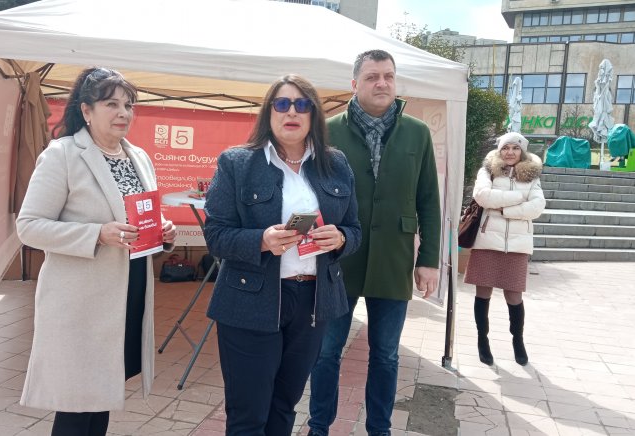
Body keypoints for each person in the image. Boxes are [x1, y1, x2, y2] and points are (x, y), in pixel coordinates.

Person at [15, 67, 176, 436]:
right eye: (111, 104)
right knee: (77, 405)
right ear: (86, 111)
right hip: (81, 302)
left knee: (103, 393)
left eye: (129, 105)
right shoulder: (63, 154)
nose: (123, 113)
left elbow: (140, 214)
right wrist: (97, 235)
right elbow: (29, 226)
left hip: (128, 293)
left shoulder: (139, 157)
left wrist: (162, 230)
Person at [203, 74, 362, 436]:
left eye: (302, 104)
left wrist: (340, 238)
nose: (292, 112)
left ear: (313, 115)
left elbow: (355, 229)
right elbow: (215, 235)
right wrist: (261, 240)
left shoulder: (336, 164)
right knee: (248, 415)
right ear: (269, 112)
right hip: (250, 301)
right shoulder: (237, 163)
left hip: (312, 303)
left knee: (284, 406)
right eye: (282, 103)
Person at [307, 49, 441, 436]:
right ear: (354, 84)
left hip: (394, 257)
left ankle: (378, 429)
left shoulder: (417, 132)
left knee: (385, 354)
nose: (381, 83)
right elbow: (308, 192)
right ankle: (319, 427)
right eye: (371, 77)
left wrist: (428, 259)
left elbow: (428, 199)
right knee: (326, 351)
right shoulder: (327, 130)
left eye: (388, 76)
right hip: (338, 257)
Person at [464, 131, 545, 367]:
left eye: (515, 148)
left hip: (518, 245)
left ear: (523, 151)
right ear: (499, 150)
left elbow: (537, 206)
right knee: (483, 293)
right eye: (505, 148)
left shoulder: (532, 176)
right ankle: (482, 340)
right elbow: (483, 196)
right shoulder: (487, 170)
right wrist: (519, 197)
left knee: (514, 296)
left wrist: (504, 209)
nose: (510, 152)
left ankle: (518, 340)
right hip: (488, 240)